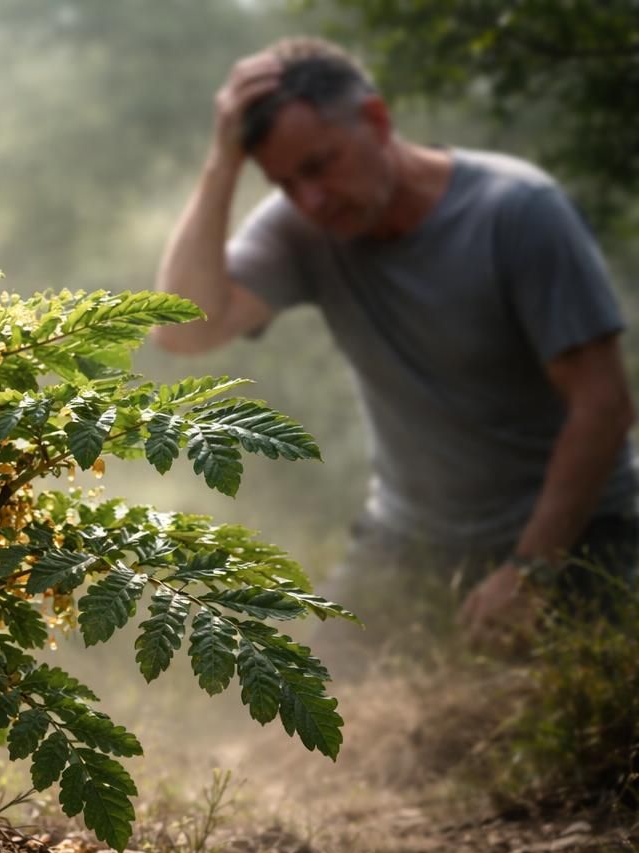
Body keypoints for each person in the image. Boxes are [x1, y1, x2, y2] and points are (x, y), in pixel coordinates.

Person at [154, 37, 638, 655]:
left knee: (575, 725)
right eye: (283, 181)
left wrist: (533, 570)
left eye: (318, 165)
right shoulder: (303, 227)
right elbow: (182, 331)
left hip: (580, 533)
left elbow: (604, 407)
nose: (310, 199)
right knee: (310, 706)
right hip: (410, 540)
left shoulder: (517, 211)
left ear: (377, 122)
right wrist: (221, 164)